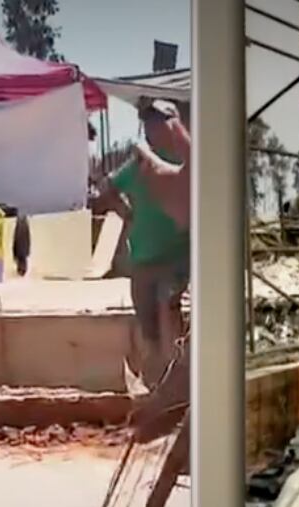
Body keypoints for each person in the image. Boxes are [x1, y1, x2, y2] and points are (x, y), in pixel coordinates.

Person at [97, 98, 191, 389]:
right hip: (142, 262)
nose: (152, 126)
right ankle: (154, 388)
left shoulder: (186, 163)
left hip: (176, 260)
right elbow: (106, 189)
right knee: (148, 331)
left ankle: (178, 386)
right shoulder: (137, 164)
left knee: (170, 318)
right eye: (148, 121)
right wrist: (123, 209)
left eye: (160, 120)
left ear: (175, 123)